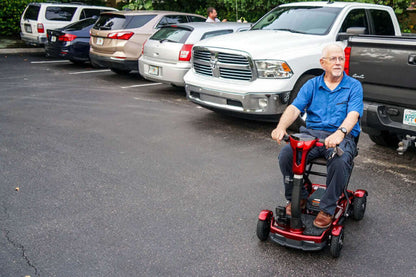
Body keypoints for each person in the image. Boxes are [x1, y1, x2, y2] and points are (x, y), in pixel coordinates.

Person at [271, 43, 363, 229]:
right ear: (323, 63)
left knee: (340, 160)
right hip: (311, 135)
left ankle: (327, 209)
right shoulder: (312, 85)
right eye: (333, 59)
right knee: (286, 156)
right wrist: (281, 127)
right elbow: (294, 108)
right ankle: (300, 196)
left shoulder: (354, 86)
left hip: (341, 137)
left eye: (341, 59)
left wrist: (340, 133)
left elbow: (353, 115)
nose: (338, 63)